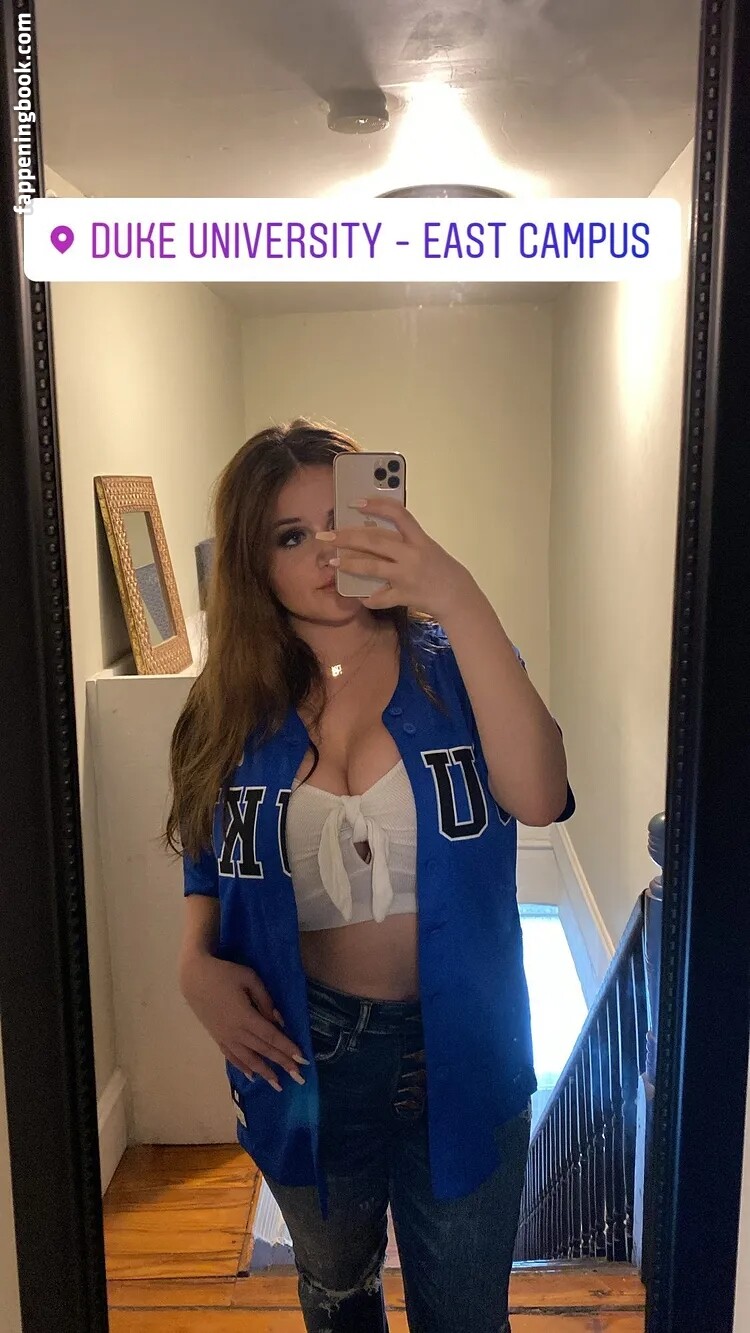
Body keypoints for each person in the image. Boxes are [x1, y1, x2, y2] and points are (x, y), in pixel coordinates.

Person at [167, 419, 575, 1333]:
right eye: (291, 535)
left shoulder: (457, 665)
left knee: (466, 1314)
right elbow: (206, 851)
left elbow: (541, 795)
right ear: (254, 563)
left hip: (463, 1042)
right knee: (337, 1290)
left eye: (340, 521)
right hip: (303, 1049)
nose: (325, 552)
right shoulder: (225, 705)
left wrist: (456, 592)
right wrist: (193, 965)